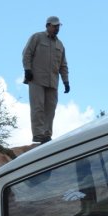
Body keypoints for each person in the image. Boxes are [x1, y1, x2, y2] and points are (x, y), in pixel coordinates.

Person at [22, 16, 70, 144]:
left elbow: (63, 65)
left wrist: (66, 81)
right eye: (54, 26)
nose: (57, 28)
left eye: (58, 26)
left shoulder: (60, 45)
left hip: (53, 82)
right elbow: (27, 53)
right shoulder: (37, 37)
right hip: (36, 79)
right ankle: (38, 134)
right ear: (47, 25)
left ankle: (47, 135)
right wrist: (27, 69)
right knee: (38, 107)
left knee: (50, 109)